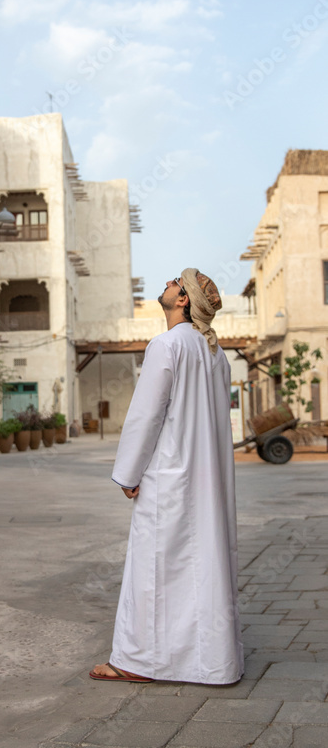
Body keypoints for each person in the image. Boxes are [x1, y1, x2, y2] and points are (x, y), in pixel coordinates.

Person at [90, 268, 244, 684]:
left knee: (154, 569)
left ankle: (137, 662)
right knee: (201, 569)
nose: (168, 282)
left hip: (169, 477)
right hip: (206, 481)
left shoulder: (167, 345)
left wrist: (129, 473)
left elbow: (146, 414)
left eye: (177, 282)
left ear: (184, 301)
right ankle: (213, 663)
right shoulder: (215, 353)